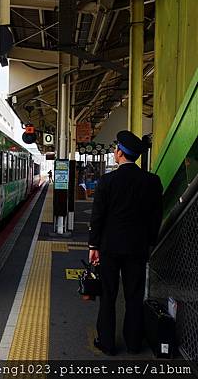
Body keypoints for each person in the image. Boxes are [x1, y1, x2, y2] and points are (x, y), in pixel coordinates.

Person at [88, 130, 163, 356]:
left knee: (108, 295)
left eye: (115, 149)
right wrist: (149, 242)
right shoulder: (152, 181)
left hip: (110, 248)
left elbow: (97, 216)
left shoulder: (107, 181)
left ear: (119, 152)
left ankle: (108, 343)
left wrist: (94, 246)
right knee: (134, 295)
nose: (114, 152)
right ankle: (133, 343)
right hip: (138, 248)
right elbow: (155, 216)